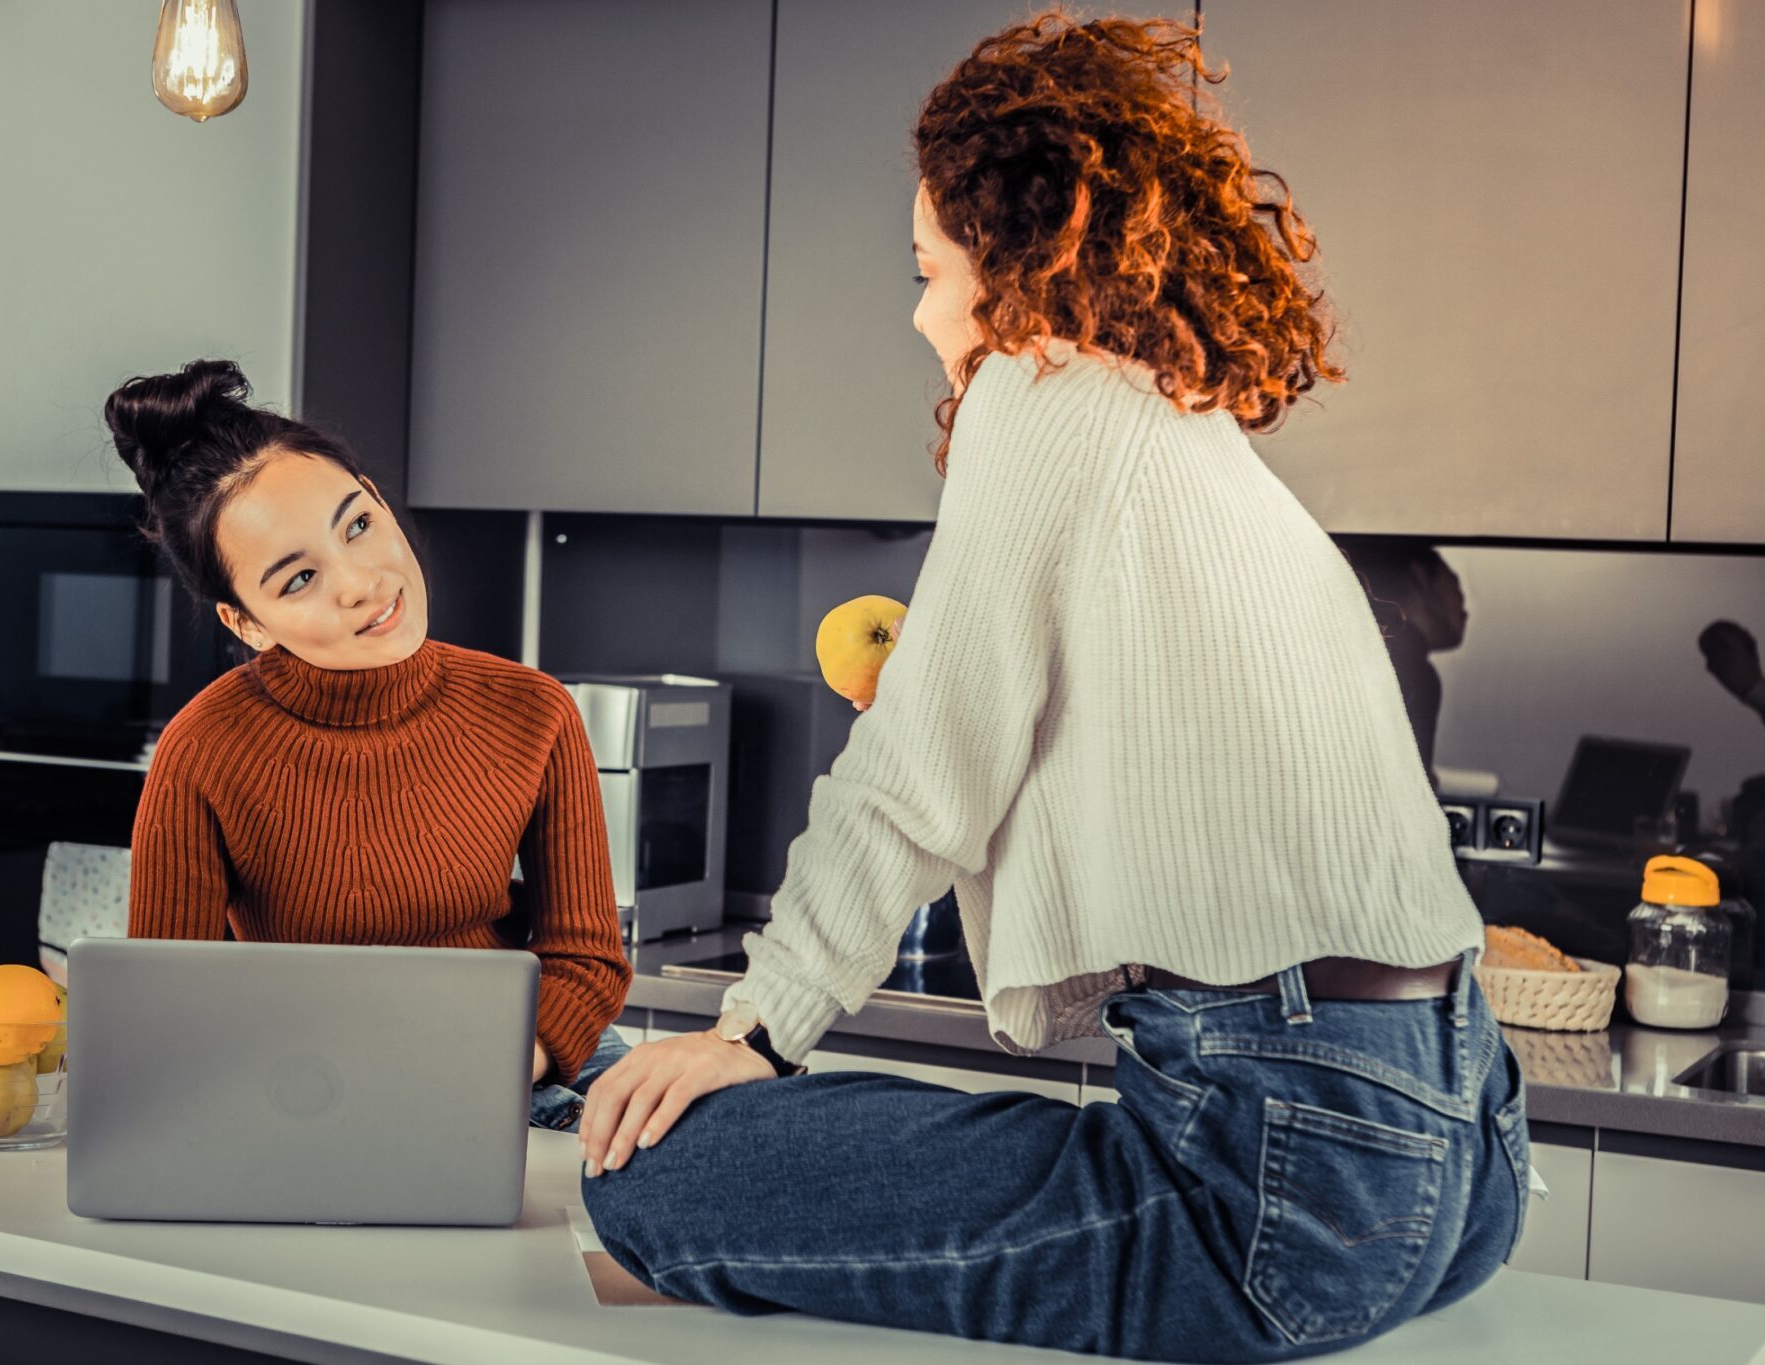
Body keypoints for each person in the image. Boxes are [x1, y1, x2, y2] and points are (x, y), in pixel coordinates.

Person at [577, 14, 1521, 1361]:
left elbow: (919, 777)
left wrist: (757, 1028)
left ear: (1013, 264)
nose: (918, 313)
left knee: (654, 1176)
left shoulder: (1044, 387)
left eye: (927, 269)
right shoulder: (1183, 431)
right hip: (1453, 1148)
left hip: (1284, 1183)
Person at [109, 361, 632, 1130]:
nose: (360, 583)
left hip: (530, 1066)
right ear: (245, 624)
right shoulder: (204, 751)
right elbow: (167, 1013)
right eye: (298, 580)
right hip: (325, 1090)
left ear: (380, 501)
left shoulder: (536, 709)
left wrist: (486, 1070)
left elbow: (587, 958)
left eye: (357, 524)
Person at [1342, 538, 1469, 781]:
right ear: (1419, 574)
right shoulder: (1411, 672)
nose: (1466, 610)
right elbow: (1405, 788)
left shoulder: (1357, 653)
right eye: (1457, 587)